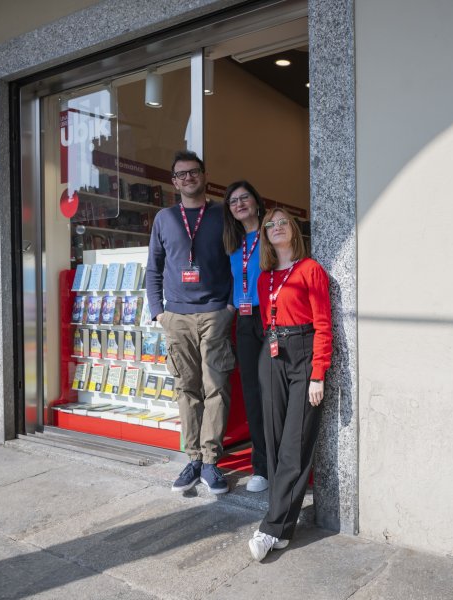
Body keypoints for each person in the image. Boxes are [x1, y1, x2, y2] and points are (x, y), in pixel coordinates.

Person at [146, 149, 235, 495]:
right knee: (187, 389)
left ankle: (211, 461)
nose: (188, 178)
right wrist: (158, 312)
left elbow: (236, 262)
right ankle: (193, 458)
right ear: (174, 182)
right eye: (181, 174)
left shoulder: (222, 215)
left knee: (216, 388)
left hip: (215, 313)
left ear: (204, 175)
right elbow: (153, 268)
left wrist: (229, 306)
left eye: (193, 172)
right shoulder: (164, 219)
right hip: (177, 316)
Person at [248, 208, 333, 561]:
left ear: (293, 230)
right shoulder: (265, 277)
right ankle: (282, 527)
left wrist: (318, 373)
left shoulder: (310, 270)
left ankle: (271, 528)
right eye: (270, 224)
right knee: (274, 439)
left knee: (294, 445)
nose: (276, 227)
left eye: (283, 222)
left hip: (301, 353)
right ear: (265, 234)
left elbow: (324, 325)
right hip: (271, 354)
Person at [222, 180, 269, 494]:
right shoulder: (233, 242)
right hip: (244, 320)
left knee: (274, 390)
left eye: (244, 198)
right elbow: (232, 284)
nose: (239, 204)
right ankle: (261, 467)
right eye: (233, 201)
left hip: (272, 318)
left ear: (256, 201)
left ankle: (283, 461)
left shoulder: (271, 232)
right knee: (253, 393)